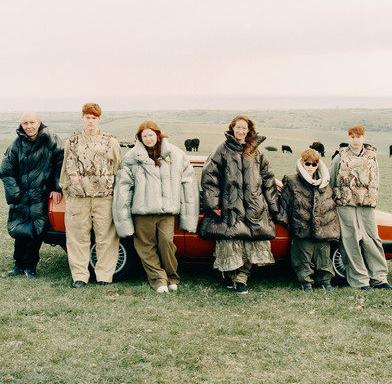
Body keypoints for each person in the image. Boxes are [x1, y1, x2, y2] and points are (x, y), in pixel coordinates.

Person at [113, 121, 199, 293]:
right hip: (142, 211)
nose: (148, 139)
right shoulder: (131, 158)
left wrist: (187, 212)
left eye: (151, 135)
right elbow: (123, 188)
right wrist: (123, 215)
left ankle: (172, 276)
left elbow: (188, 183)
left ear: (158, 134)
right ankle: (158, 280)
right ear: (139, 138)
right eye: (144, 136)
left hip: (167, 211)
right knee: (146, 247)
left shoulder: (176, 154)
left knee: (167, 243)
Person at [200, 115, 279, 294]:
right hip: (231, 206)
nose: (241, 131)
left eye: (244, 128)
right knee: (232, 243)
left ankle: (241, 278)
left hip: (254, 206)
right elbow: (209, 176)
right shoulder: (222, 149)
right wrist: (213, 203)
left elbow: (268, 178)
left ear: (249, 130)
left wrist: (273, 205)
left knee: (252, 243)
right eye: (238, 127)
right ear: (232, 128)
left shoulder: (256, 152)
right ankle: (231, 276)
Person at [59, 103, 121, 288]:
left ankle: (104, 276)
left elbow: (116, 167)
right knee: (77, 238)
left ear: (99, 119)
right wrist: (66, 189)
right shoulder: (72, 141)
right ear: (82, 118)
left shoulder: (110, 141)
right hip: (78, 197)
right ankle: (80, 276)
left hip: (103, 197)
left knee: (106, 237)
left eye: (94, 117)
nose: (91, 120)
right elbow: (65, 167)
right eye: (87, 117)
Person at [330, 124, 392, 290]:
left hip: (366, 204)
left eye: (358, 136)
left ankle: (379, 278)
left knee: (372, 239)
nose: (355, 140)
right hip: (346, 205)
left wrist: (372, 198)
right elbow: (331, 180)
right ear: (348, 137)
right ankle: (360, 281)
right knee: (350, 242)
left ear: (364, 138)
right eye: (352, 136)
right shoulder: (340, 156)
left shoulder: (372, 156)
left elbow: (376, 178)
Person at [0, 111, 63, 278]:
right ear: (21, 125)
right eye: (25, 123)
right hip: (21, 195)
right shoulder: (16, 144)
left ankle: (30, 266)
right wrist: (16, 194)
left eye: (31, 122)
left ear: (39, 122)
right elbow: (6, 171)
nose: (29, 126)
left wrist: (56, 188)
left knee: (37, 231)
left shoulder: (51, 140)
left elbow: (61, 164)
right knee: (20, 229)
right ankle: (18, 264)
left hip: (41, 195)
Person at [278, 148, 340, 292]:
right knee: (302, 257)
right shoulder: (291, 180)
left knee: (324, 257)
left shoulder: (325, 182)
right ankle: (306, 282)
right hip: (302, 228)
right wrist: (294, 225)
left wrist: (329, 224)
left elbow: (332, 204)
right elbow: (283, 206)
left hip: (323, 228)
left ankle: (325, 280)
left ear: (318, 165)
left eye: (314, 164)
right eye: (307, 164)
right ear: (301, 163)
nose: (311, 167)